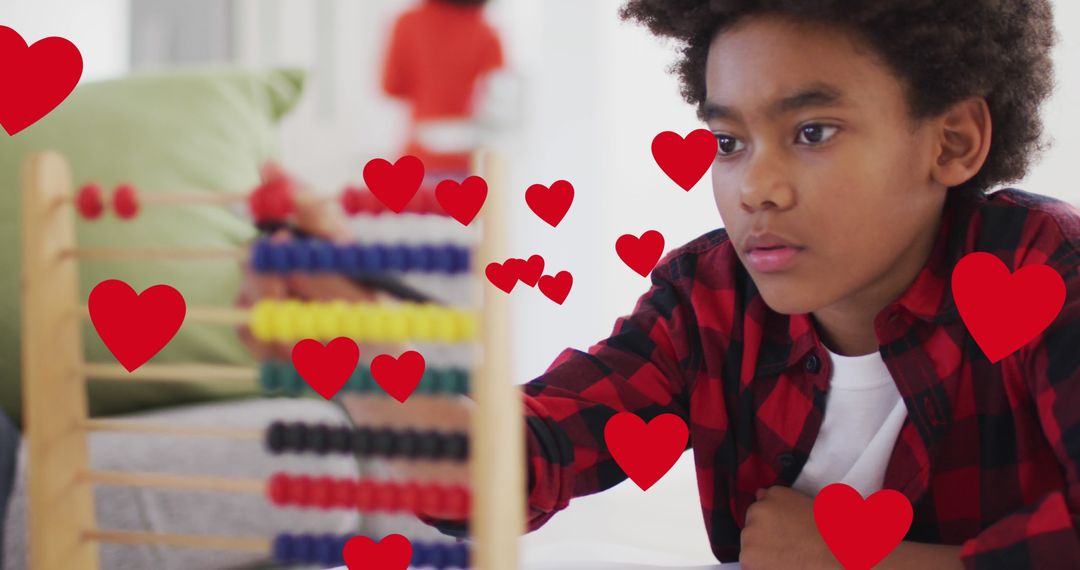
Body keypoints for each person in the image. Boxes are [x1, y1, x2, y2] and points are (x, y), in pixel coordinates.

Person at [239, 2, 1080, 569]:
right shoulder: (707, 298)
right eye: (728, 142)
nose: (757, 187)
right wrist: (357, 345)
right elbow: (524, 457)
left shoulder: (1046, 272)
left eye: (812, 131)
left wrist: (863, 559)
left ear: (955, 142)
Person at [380, 0, 505, 186]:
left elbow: (391, 87)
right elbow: (500, 100)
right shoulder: (486, 32)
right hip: (468, 162)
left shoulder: (407, 23)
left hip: (417, 159)